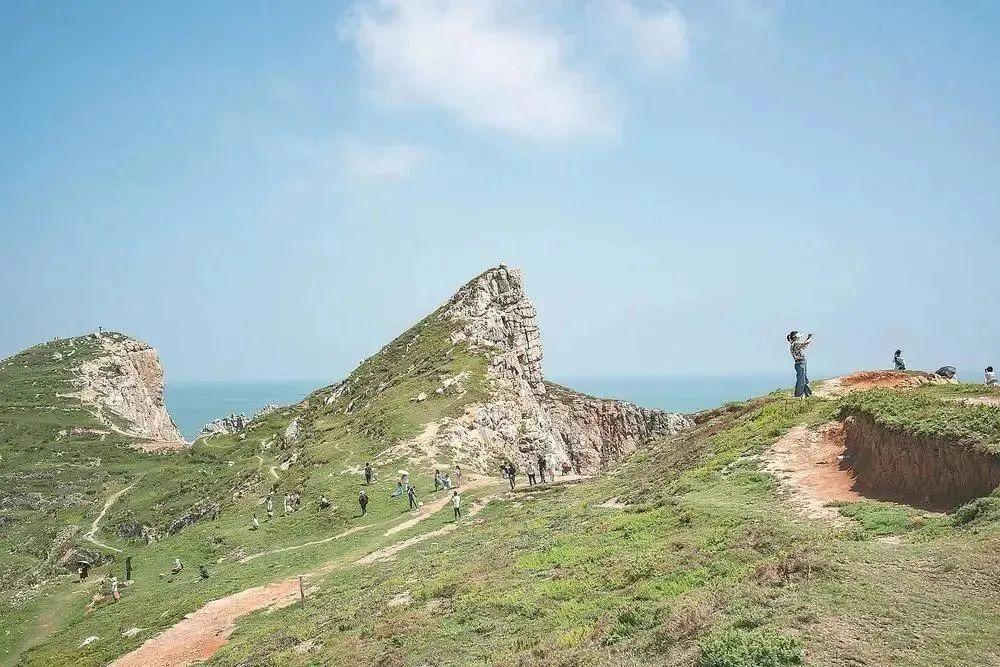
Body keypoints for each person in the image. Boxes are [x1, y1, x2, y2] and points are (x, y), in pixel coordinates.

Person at [787, 330, 814, 398]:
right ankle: (798, 395)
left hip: (800, 362)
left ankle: (808, 394)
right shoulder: (795, 343)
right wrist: (810, 338)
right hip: (800, 363)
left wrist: (808, 338)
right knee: (801, 381)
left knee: (804, 379)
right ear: (795, 337)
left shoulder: (794, 343)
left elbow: (803, 346)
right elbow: (805, 343)